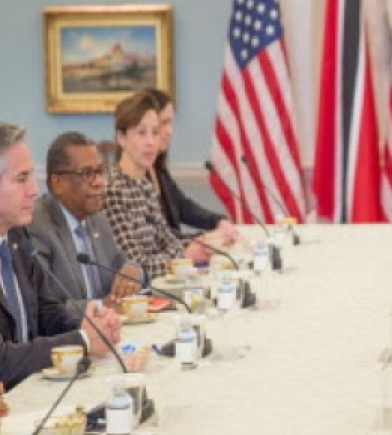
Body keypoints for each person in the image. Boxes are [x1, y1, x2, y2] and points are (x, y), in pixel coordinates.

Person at [0, 121, 120, 389]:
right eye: (21, 179)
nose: (34, 189)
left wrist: (87, 320)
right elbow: (2, 360)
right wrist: (84, 341)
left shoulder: (16, 236)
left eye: (32, 176)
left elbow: (46, 311)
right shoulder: (31, 228)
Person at [28, 132, 143, 317]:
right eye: (87, 173)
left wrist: (133, 270)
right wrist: (99, 307)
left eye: (100, 171)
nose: (99, 182)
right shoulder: (38, 225)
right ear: (57, 183)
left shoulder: (97, 219)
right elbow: (46, 311)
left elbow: (121, 261)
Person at [103, 92, 206, 279]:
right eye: (141, 133)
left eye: (155, 133)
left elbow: (169, 241)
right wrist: (182, 257)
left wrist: (192, 247)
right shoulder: (113, 189)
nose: (151, 142)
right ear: (121, 137)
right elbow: (134, 266)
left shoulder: (145, 185)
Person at [144, 88, 237, 242]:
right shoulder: (134, 179)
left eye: (170, 122)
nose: (170, 131)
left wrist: (217, 221)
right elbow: (159, 239)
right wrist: (205, 239)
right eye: (164, 122)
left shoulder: (158, 169)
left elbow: (182, 206)